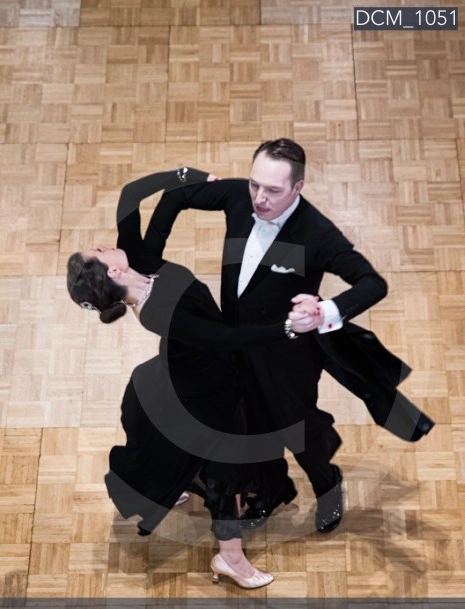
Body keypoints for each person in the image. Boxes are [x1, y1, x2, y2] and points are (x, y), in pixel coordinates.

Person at [147, 139, 435, 534]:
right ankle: (270, 491)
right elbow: (177, 194)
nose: (259, 198)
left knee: (299, 430)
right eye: (254, 184)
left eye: (273, 190)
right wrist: (148, 257)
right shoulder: (239, 197)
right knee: (250, 426)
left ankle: (327, 485)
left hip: (287, 357)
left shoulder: (316, 233)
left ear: (297, 187)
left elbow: (372, 283)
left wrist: (323, 312)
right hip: (236, 346)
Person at [67, 167, 307, 590]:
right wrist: (287, 328)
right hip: (207, 391)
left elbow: (132, 195)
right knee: (228, 471)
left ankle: (172, 487)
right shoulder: (159, 313)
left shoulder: (138, 259)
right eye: (100, 251)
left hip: (191, 368)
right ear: (113, 274)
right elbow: (224, 337)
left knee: (189, 454)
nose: (106, 245)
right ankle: (230, 558)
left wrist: (191, 176)